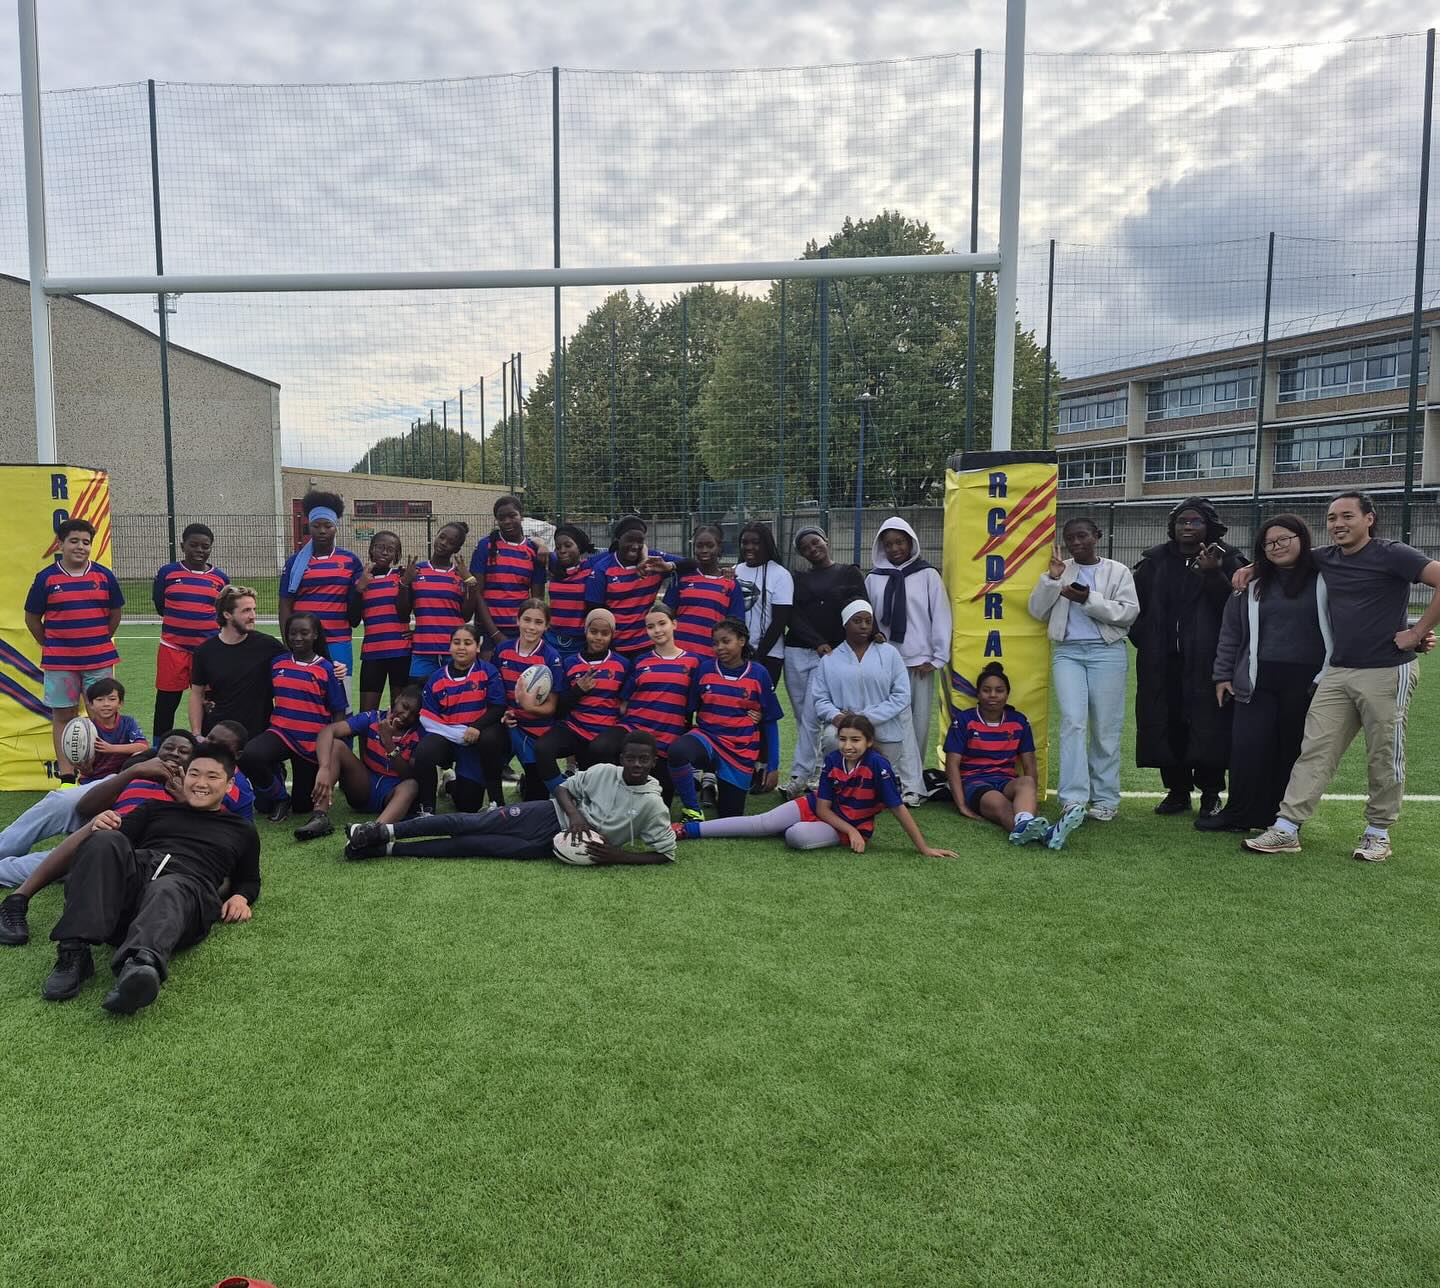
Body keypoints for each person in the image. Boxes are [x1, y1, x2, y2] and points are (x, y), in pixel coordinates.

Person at [1244, 492, 1440, 861]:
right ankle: (1286, 828)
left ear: (1369, 518)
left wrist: (1417, 633)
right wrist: (1253, 568)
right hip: (1338, 670)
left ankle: (1377, 832)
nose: (1337, 524)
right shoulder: (1325, 558)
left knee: (1384, 752)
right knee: (1315, 748)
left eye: (1346, 516)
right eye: (1332, 518)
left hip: (1386, 669)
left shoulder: (1393, 553)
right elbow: (1285, 557)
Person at [36, 741, 260, 1015]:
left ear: (228, 785)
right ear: (184, 775)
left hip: (185, 896)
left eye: (212, 777)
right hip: (129, 895)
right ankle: (74, 953)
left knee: (169, 886)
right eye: (194, 774)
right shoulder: (155, 808)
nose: (201, 783)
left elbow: (250, 878)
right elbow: (113, 847)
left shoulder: (241, 830)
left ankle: (140, 966)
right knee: (104, 840)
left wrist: (241, 895)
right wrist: (105, 823)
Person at [343, 730, 676, 864]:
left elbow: (665, 855)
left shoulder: (652, 804)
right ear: (621, 759)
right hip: (547, 815)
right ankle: (380, 830)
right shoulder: (604, 771)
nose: (635, 764)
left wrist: (617, 855)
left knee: (476, 845)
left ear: (653, 763)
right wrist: (575, 816)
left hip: (552, 846)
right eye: (630, 758)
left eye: (643, 760)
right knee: (469, 822)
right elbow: (561, 788)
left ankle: (386, 850)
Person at [1199, 516, 1332, 834]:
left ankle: (1283, 819)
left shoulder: (1327, 578)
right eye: (1269, 543)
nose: (1277, 547)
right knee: (1247, 750)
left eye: (1285, 539)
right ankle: (1239, 813)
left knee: (1291, 752)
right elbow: (1230, 631)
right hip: (1257, 679)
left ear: (1302, 538)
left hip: (1307, 684)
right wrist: (1222, 675)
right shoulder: (1247, 583)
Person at [676, 714, 957, 857]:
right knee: (760, 823)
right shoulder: (834, 759)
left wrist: (924, 848)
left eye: (856, 740)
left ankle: (788, 827)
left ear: (869, 742)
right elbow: (822, 807)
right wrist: (848, 828)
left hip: (849, 826)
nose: (848, 746)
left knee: (796, 836)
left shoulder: (878, 766)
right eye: (844, 739)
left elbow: (898, 809)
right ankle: (686, 830)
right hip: (823, 812)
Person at [0, 731, 200, 928]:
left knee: (49, 862)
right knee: (60, 802)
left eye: (183, 751)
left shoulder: (195, 792)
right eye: (168, 748)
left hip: (119, 848)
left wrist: (184, 800)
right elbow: (84, 808)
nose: (174, 753)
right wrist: (133, 772)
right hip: (102, 823)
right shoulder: (137, 776)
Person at [1129, 496, 1245, 818]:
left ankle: (1210, 794)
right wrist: (1143, 635)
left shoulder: (1228, 560)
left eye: (1195, 522)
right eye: (1182, 521)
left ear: (1209, 526)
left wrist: (1211, 574)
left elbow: (1235, 608)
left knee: (1209, 724)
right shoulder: (1155, 561)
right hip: (1162, 660)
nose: (1188, 527)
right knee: (1167, 721)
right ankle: (1177, 791)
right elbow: (1135, 605)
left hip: (1208, 660)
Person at [1026, 517, 1140, 822]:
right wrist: (1051, 580)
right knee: (1073, 723)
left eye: (1082, 536)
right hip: (1068, 654)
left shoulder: (1118, 571)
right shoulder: (1061, 570)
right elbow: (1037, 611)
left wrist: (1087, 599)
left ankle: (1105, 799)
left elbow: (1127, 614)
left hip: (1108, 653)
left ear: (1097, 536)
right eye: (1070, 539)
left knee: (1105, 727)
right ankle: (1073, 798)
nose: (1076, 543)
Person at [24, 517, 125, 780]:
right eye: (74, 541)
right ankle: (67, 775)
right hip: (61, 663)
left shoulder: (104, 576)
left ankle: (101, 771)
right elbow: (32, 618)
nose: (80, 546)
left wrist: (100, 639)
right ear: (61, 544)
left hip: (99, 660)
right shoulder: (46, 578)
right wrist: (51, 644)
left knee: (103, 715)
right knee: (64, 716)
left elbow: (115, 613)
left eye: (86, 542)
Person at [944, 661, 1083, 850]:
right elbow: (952, 764)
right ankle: (1046, 833)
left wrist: (1032, 797)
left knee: (1026, 782)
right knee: (1001, 804)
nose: (993, 695)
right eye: (986, 690)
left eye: (999, 690)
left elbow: (1030, 764)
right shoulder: (964, 721)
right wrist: (960, 804)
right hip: (975, 783)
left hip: (1005, 781)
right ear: (978, 693)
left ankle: (1027, 823)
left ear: (1007, 694)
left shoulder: (1019, 721)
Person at [865, 516, 951, 807]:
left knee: (917, 724)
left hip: (919, 662)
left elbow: (939, 615)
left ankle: (913, 784)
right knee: (888, 726)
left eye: (899, 542)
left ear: (911, 542)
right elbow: (868, 619)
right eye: (888, 544)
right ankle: (892, 780)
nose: (894, 548)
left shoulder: (927, 575)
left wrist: (937, 657)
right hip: (885, 662)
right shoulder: (874, 578)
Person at [780, 525, 867, 800]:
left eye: (815, 542)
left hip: (833, 654)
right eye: (805, 547)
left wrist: (846, 644)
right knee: (803, 716)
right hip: (800, 650)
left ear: (826, 541)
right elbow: (791, 614)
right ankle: (805, 774)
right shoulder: (797, 578)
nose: (812, 549)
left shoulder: (849, 573)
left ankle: (821, 773)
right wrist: (816, 641)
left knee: (825, 715)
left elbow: (860, 607)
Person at [237, 612, 348, 826]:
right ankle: (280, 797)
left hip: (312, 742)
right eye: (292, 633)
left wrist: (334, 745)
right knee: (249, 755)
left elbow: (338, 710)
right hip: (281, 732)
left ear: (315, 634)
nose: (297, 638)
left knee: (302, 806)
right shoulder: (277, 663)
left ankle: (292, 796)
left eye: (304, 633)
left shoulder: (327, 670)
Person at [668, 617, 783, 819]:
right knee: (678, 751)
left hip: (740, 749)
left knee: (730, 815)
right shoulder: (705, 669)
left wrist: (772, 767)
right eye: (715, 643)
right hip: (708, 738)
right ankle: (692, 809)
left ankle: (713, 786)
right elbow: (690, 708)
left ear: (742, 641)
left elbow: (770, 722)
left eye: (725, 641)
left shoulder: (759, 674)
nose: (719, 647)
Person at [299, 685, 424, 840]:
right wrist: (324, 768)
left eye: (413, 714)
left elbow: (407, 775)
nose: (405, 715)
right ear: (397, 698)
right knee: (337, 746)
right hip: (365, 785)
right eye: (404, 706)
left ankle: (372, 831)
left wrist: (389, 744)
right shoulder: (372, 717)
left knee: (411, 786)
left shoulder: (418, 733)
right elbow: (329, 731)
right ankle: (320, 816)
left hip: (392, 792)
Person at [529, 609, 630, 795]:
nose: (598, 637)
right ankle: (563, 796)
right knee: (542, 749)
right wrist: (578, 690)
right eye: (594, 632)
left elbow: (625, 705)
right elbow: (559, 709)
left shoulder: (623, 665)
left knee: (594, 777)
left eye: (604, 633)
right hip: (574, 728)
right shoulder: (569, 663)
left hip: (606, 732)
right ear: (586, 631)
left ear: (612, 635)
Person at [410, 623, 507, 813]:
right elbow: (428, 719)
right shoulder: (437, 679)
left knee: (468, 805)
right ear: (450, 647)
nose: (461, 647)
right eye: (457, 642)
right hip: (447, 740)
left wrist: (476, 727)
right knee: (424, 751)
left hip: (474, 741)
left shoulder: (488, 672)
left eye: (468, 643)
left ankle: (451, 785)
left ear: (478, 647)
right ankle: (426, 809)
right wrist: (454, 734)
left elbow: (498, 707)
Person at [615, 603, 702, 806]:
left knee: (661, 804)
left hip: (668, 738)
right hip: (637, 733)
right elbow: (625, 700)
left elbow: (700, 701)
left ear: (674, 624)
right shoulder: (640, 661)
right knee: (603, 747)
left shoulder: (693, 662)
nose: (657, 630)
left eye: (662, 623)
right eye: (651, 627)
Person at [810, 600, 912, 771]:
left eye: (868, 621)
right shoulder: (830, 659)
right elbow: (820, 698)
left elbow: (902, 695)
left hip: (884, 729)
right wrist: (836, 717)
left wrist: (865, 718)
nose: (864, 626)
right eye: (857, 621)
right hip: (844, 729)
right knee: (831, 738)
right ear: (845, 624)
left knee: (879, 780)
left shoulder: (889, 653)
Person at [279, 489, 365, 684]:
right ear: (309, 527)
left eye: (328, 525)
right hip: (303, 643)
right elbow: (285, 604)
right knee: (305, 697)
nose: (322, 531)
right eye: (316, 525)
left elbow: (355, 603)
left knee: (340, 699)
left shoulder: (350, 561)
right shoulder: (295, 563)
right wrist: (287, 642)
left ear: (335, 527)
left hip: (338, 640)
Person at [151, 522, 228, 733]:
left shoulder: (220, 578)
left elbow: (223, 612)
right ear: (183, 545)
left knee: (209, 701)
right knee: (167, 701)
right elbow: (160, 605)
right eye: (194, 545)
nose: (199, 551)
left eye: (205, 547)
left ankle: (206, 743)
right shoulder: (167, 573)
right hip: (172, 648)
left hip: (207, 651)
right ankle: (160, 746)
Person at [190, 586, 288, 739]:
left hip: (258, 735)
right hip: (218, 733)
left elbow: (298, 664)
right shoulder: (204, 652)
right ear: (227, 614)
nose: (253, 616)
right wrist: (196, 734)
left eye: (254, 609)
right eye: (246, 610)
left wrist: (335, 668)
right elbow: (197, 694)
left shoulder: (269, 645)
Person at [492, 599, 565, 801]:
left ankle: (529, 783)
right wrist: (504, 712)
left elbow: (551, 707)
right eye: (527, 620)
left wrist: (528, 706)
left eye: (538, 622)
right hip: (507, 724)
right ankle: (491, 800)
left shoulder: (552, 658)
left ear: (546, 626)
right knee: (484, 760)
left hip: (536, 730)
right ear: (518, 620)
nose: (532, 627)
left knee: (537, 797)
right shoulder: (502, 651)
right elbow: (494, 693)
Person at [585, 515, 684, 659]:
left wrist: (668, 566)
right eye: (630, 540)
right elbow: (595, 609)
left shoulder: (654, 561)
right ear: (618, 539)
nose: (635, 546)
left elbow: (691, 564)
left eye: (640, 541)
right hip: (614, 647)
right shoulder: (603, 568)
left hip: (647, 645)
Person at [471, 495, 546, 652]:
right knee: (489, 675)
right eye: (501, 518)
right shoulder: (485, 546)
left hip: (521, 630)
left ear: (521, 516)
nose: (507, 521)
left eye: (512, 516)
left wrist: (530, 628)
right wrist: (495, 634)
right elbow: (477, 593)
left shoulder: (533, 549)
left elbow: (537, 599)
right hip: (489, 629)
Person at [404, 521, 475, 682]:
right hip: (423, 649)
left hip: (453, 650)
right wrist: (404, 583)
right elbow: (404, 610)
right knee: (419, 698)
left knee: (453, 698)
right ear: (435, 536)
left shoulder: (461, 575)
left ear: (456, 549)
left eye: (451, 542)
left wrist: (470, 582)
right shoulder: (417, 571)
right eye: (442, 537)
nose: (443, 543)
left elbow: (466, 616)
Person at [665, 524, 746, 659]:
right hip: (679, 656)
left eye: (710, 545)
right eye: (699, 545)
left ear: (719, 548)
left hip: (710, 658)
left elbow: (735, 624)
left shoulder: (730, 583)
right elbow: (667, 614)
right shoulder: (682, 578)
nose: (704, 550)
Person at [353, 530, 412, 712]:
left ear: (397, 555)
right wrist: (358, 590)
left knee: (399, 710)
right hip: (373, 654)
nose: (385, 552)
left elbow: (406, 613)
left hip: (401, 653)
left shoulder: (400, 577)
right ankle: (366, 742)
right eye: (380, 547)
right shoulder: (360, 579)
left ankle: (395, 742)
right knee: (367, 713)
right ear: (371, 550)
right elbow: (354, 620)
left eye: (391, 549)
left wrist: (405, 584)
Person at [732, 520, 793, 685]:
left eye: (755, 542)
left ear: (766, 545)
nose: (749, 547)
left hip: (769, 656)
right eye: (744, 542)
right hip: (735, 653)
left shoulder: (781, 575)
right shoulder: (734, 571)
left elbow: (780, 622)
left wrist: (758, 656)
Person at [73, 677, 148, 784]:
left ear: (120, 703)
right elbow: (87, 771)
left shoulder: (128, 722)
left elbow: (143, 746)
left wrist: (111, 748)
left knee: (139, 755)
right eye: (100, 700)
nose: (106, 704)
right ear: (90, 705)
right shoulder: (85, 729)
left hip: (122, 777)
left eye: (112, 699)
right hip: (94, 780)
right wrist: (85, 768)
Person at [545, 523, 599, 655]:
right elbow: (533, 543)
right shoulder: (555, 567)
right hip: (552, 639)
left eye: (568, 545)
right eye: (558, 547)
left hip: (580, 642)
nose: (562, 550)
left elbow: (619, 548)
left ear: (579, 547)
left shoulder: (590, 567)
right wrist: (540, 543)